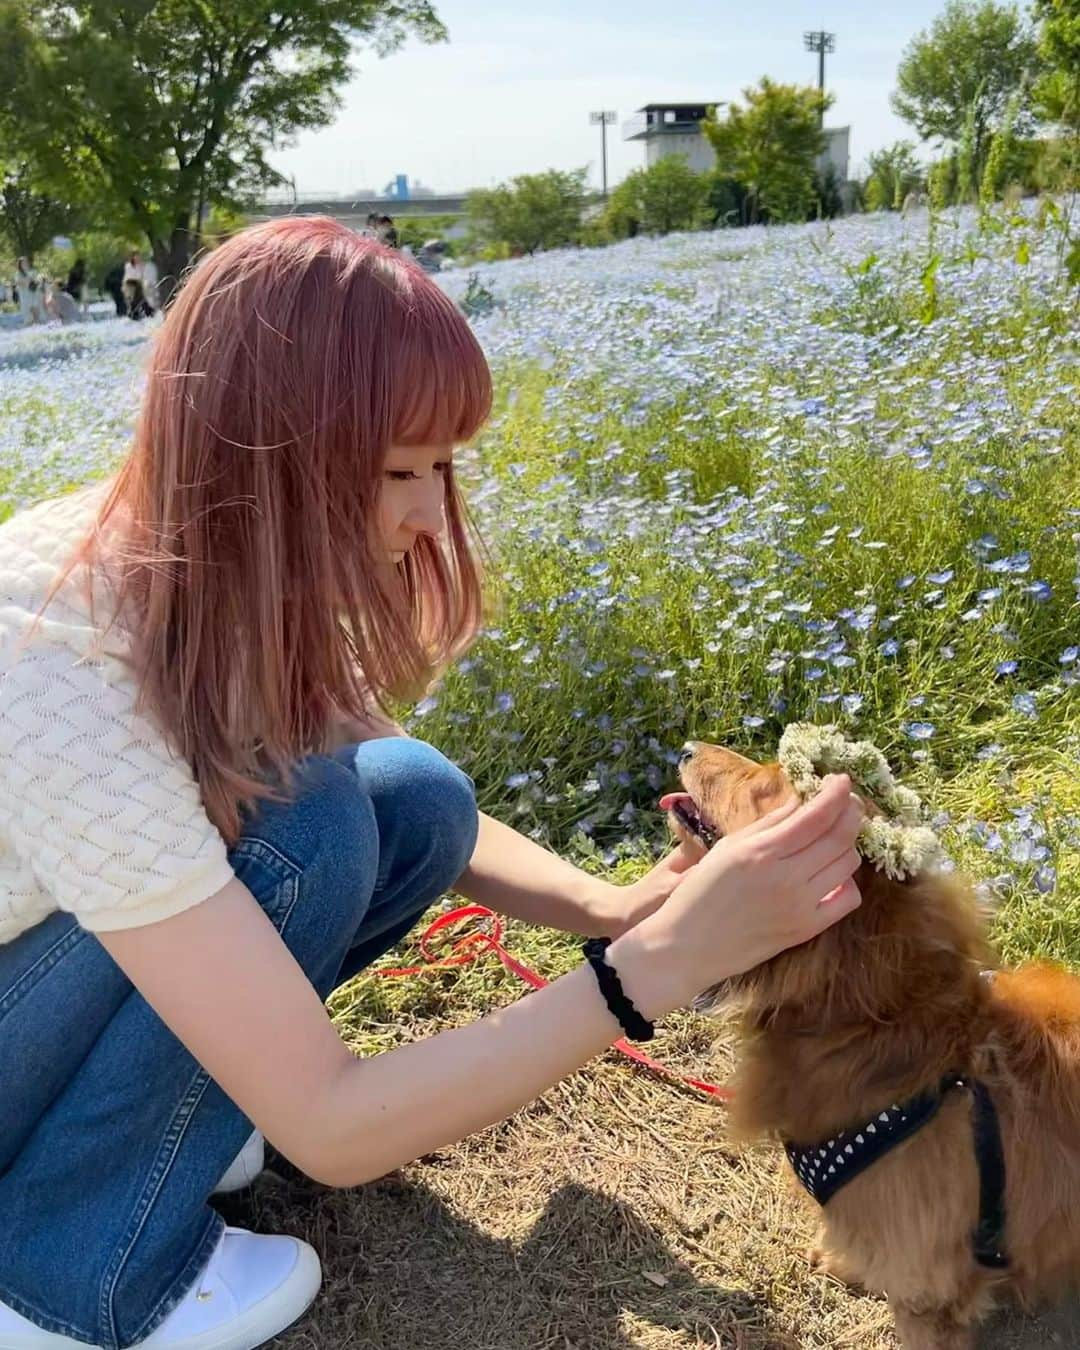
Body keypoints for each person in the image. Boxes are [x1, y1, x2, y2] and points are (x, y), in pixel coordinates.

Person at [0, 216, 863, 1350]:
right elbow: (336, 1131)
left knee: (408, 796)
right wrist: (655, 965)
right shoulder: (51, 652)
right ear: (262, 456)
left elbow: (376, 759)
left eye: (441, 465)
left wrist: (604, 909)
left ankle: (168, 1120)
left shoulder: (203, 568)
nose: (425, 512)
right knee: (308, 827)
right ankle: (64, 1274)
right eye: (397, 469)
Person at [14, 257, 43, 325]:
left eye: (26, 262)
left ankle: (37, 323)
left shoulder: (33, 271)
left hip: (33, 292)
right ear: (20, 264)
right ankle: (31, 324)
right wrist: (27, 281)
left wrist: (36, 281)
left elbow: (38, 280)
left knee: (35, 307)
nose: (25, 263)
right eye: (23, 262)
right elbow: (18, 282)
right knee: (28, 310)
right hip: (24, 294)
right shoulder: (18, 273)